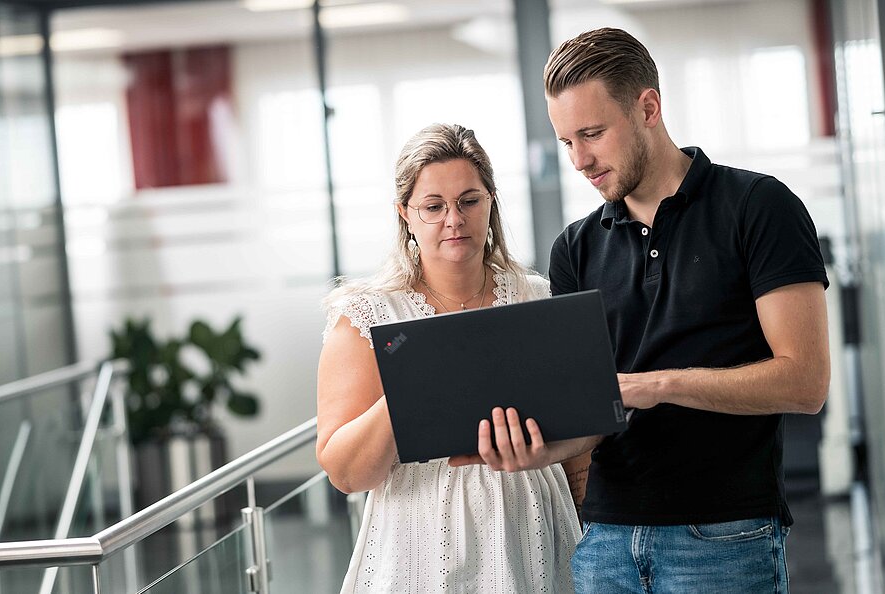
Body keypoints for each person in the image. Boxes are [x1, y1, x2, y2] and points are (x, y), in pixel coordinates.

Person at [542, 27, 831, 593]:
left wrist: (660, 385)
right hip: (605, 543)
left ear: (648, 106)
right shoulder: (573, 248)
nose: (579, 159)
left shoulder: (758, 207)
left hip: (724, 538)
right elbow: (588, 418)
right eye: (566, 142)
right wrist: (533, 447)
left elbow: (806, 381)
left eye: (593, 134)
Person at [317, 123, 589, 592]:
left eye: (469, 200)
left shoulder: (538, 299)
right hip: (420, 539)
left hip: (537, 527)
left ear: (491, 201)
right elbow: (345, 472)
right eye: (433, 206)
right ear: (405, 214)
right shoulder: (366, 316)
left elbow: (578, 449)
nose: (454, 220)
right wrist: (412, 379)